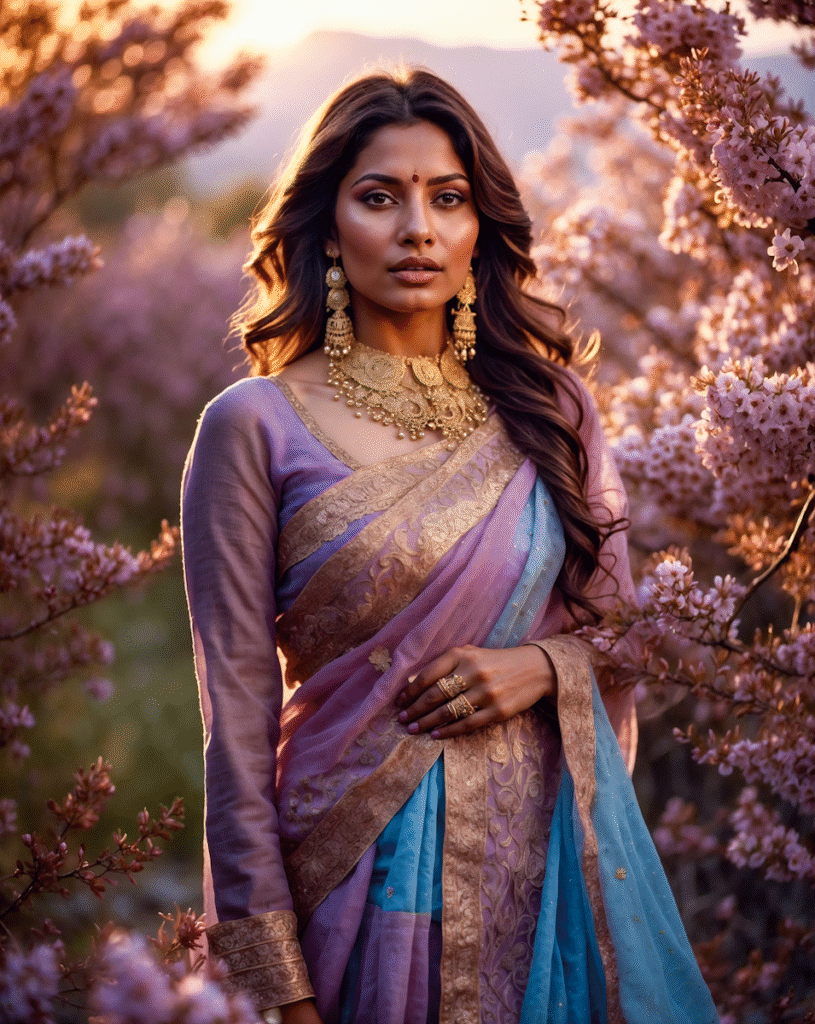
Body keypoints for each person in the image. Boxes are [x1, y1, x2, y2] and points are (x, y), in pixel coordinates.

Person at [181, 67, 718, 1024]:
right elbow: (234, 714)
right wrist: (278, 982)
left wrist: (542, 667)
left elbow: (626, 635)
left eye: (448, 198)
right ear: (327, 224)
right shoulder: (252, 425)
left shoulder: (551, 411)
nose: (416, 229)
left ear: (480, 230)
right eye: (379, 197)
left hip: (534, 870)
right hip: (349, 876)